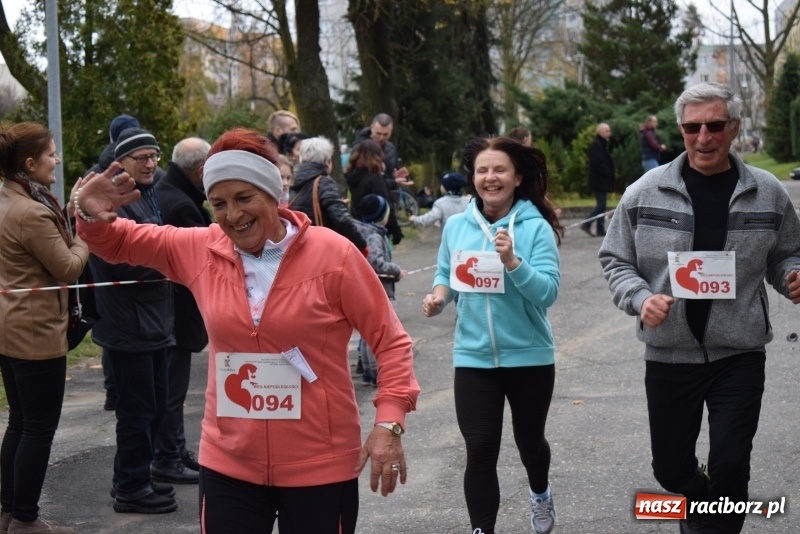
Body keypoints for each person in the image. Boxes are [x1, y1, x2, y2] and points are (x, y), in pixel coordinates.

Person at [74, 127, 420, 534]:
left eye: (243, 198)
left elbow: (391, 342)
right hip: (230, 462)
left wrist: (389, 422)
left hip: (319, 464)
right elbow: (119, 242)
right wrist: (87, 212)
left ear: (274, 194)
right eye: (218, 203)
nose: (232, 216)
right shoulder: (202, 247)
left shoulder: (334, 254)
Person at [598, 82, 800, 534]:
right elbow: (615, 259)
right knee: (671, 471)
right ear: (680, 130)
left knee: (731, 462)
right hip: (669, 354)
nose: (704, 137)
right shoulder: (645, 192)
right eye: (693, 127)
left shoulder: (767, 193)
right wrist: (640, 298)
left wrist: (792, 275)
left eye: (714, 125)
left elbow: (787, 253)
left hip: (739, 353)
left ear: (733, 127)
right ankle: (701, 505)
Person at [421, 136, 563, 534]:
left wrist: (512, 262)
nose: (490, 177)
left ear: (517, 177)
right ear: (473, 178)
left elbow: (547, 293)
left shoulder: (535, 227)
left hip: (529, 357)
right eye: (482, 170)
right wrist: (438, 297)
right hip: (473, 357)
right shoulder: (456, 226)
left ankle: (540, 492)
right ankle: (482, 529)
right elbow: (446, 275)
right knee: (480, 450)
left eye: (499, 169)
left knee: (530, 445)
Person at [0, 122, 85, 534]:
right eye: (52, 154)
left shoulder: (7, 199)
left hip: (11, 326)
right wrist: (82, 232)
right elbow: (68, 266)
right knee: (37, 428)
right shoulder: (32, 211)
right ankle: (25, 519)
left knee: (20, 422)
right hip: (34, 333)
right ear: (30, 164)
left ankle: (10, 511)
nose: (58, 160)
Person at [88, 127, 178, 514]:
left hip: (154, 321)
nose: (150, 163)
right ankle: (130, 487)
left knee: (154, 407)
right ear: (119, 162)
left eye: (155, 155)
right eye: (141, 157)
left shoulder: (149, 193)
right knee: (136, 412)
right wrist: (169, 256)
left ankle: (136, 476)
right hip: (128, 326)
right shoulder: (114, 200)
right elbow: (120, 255)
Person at [151, 137, 212, 485]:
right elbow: (200, 264)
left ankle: (173, 450)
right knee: (172, 392)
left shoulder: (169, 193)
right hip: (177, 314)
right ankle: (167, 457)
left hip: (168, 312)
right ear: (201, 170)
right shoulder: (182, 206)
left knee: (170, 390)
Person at [354, 194, 407, 387]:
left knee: (367, 334)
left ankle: (369, 371)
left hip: (364, 288)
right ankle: (376, 372)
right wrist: (396, 271)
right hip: (377, 289)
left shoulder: (361, 230)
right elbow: (375, 262)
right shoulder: (374, 235)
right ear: (381, 215)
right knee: (376, 334)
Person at [289, 136, 368, 253]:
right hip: (324, 248)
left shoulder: (295, 183)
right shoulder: (324, 182)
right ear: (327, 162)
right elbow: (341, 219)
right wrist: (361, 244)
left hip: (302, 247)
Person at [354, 114, 410, 245]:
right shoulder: (361, 148)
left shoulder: (390, 148)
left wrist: (395, 178)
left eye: (386, 134)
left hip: (385, 207)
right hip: (369, 211)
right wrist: (392, 182)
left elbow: (387, 177)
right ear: (371, 128)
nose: (381, 137)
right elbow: (376, 182)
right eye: (378, 133)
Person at [346, 139, 402, 243]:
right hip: (376, 230)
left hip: (359, 226)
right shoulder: (375, 178)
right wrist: (396, 231)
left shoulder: (353, 176)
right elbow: (386, 205)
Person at [580, 123, 615, 237]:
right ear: (599, 132)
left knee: (603, 205)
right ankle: (587, 223)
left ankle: (600, 228)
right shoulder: (596, 145)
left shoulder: (602, 144)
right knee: (601, 205)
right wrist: (606, 172)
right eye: (606, 131)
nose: (609, 133)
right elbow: (597, 162)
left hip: (602, 180)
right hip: (598, 180)